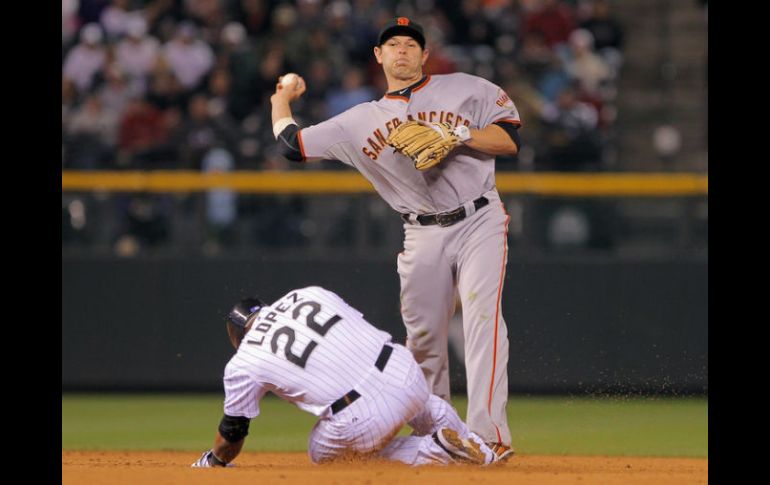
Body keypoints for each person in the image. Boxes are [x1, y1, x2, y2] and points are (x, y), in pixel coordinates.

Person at [269, 17, 520, 462]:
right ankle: (446, 437)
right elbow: (292, 145)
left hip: (479, 216)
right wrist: (281, 98)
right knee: (423, 342)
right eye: (393, 45)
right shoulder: (358, 121)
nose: (401, 50)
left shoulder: (467, 88)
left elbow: (508, 138)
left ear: (425, 55)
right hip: (420, 230)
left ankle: (490, 436)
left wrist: (459, 134)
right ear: (378, 56)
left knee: (483, 319)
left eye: (410, 44)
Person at [191, 285, 500, 467]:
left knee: (322, 453)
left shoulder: (244, 359)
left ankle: (434, 450)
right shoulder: (308, 293)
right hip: (403, 367)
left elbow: (232, 434)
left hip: (362, 414)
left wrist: (214, 461)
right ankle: (475, 446)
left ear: (237, 335)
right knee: (418, 404)